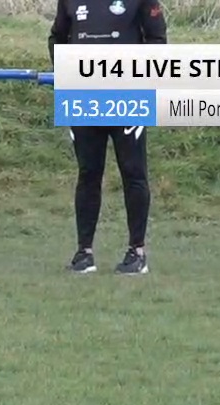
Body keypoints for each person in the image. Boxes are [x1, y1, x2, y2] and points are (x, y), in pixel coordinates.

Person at [50, 0, 166, 275]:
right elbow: (58, 37)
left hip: (128, 97)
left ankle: (137, 252)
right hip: (84, 98)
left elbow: (157, 39)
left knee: (133, 171)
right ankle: (84, 253)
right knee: (88, 172)